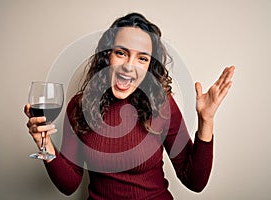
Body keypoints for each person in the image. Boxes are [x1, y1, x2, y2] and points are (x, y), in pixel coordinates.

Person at [24, 13, 235, 200]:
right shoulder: (80, 106)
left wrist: (206, 120)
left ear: (149, 67)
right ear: (107, 56)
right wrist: (44, 144)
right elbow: (69, 186)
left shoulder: (162, 105)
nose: (129, 66)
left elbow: (194, 182)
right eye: (121, 53)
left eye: (142, 58)